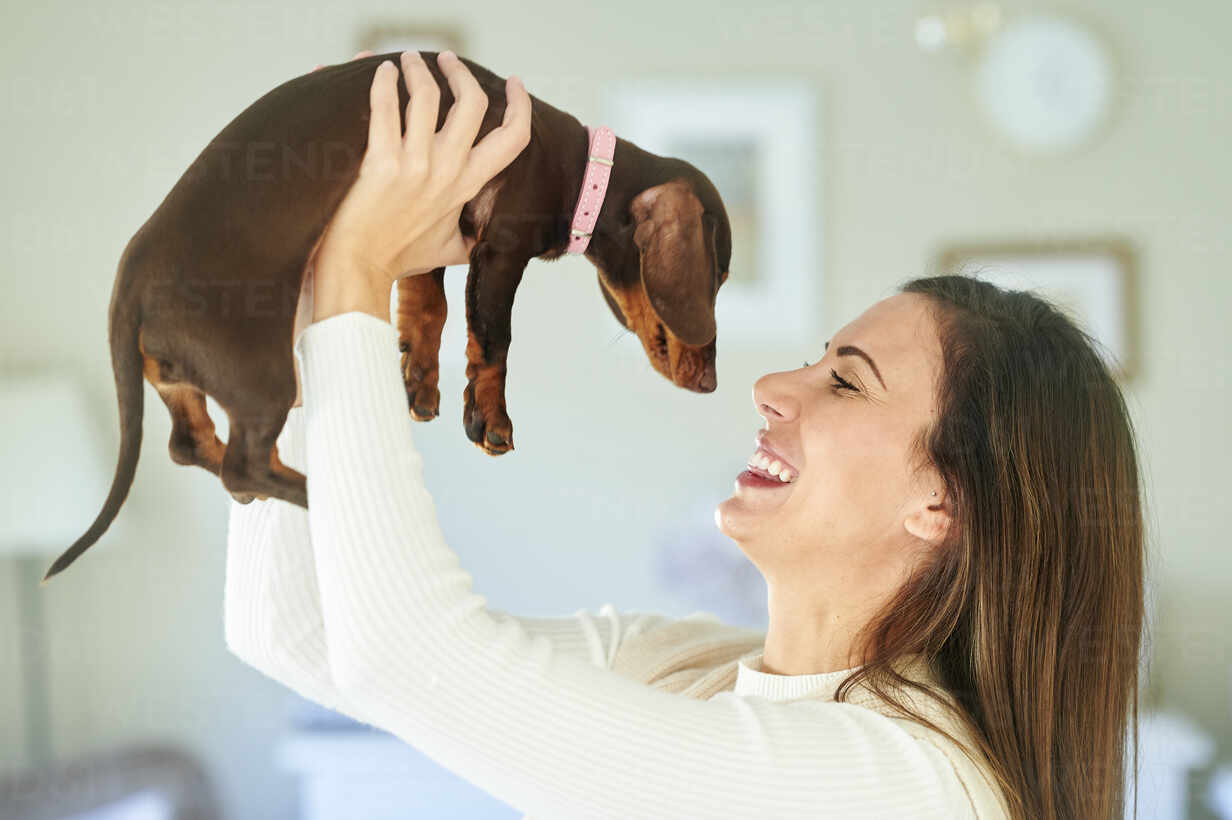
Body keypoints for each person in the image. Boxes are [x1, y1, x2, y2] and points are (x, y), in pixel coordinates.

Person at [225, 49, 1146, 820]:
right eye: (818, 358)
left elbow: (408, 657)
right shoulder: (688, 666)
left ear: (942, 501)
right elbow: (299, 633)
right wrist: (315, 291)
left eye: (846, 382)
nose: (773, 386)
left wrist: (356, 271)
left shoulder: (903, 782)